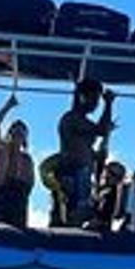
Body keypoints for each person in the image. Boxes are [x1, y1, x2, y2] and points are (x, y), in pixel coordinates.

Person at [51, 79, 116, 227]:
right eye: (93, 99)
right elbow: (101, 130)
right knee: (69, 219)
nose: (95, 104)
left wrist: (97, 155)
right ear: (82, 97)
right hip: (71, 174)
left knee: (81, 218)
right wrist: (109, 104)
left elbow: (88, 147)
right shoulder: (71, 118)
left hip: (83, 175)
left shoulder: (81, 122)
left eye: (97, 100)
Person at [0, 96, 36, 228]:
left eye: (21, 133)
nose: (17, 135)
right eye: (14, 131)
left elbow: (29, 185)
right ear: (9, 133)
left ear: (24, 139)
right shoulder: (1, 150)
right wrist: (7, 107)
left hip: (18, 201)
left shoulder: (26, 159)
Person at [91, 160, 131, 233]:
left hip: (102, 231)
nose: (107, 176)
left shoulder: (113, 193)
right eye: (107, 172)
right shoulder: (99, 190)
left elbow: (105, 215)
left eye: (112, 174)